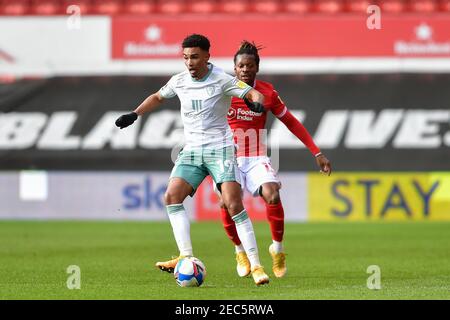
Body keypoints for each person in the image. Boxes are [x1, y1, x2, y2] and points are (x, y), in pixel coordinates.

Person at [115, 34, 270, 285]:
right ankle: (185, 256)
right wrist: (134, 114)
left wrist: (256, 104)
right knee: (171, 197)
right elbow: (157, 96)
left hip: (220, 149)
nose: (190, 62)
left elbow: (253, 93)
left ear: (207, 56)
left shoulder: (222, 79)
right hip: (192, 150)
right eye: (186, 57)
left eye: (195, 57)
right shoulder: (179, 81)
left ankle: (256, 266)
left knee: (233, 204)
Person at [217, 41, 332, 279]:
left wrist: (317, 152)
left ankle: (277, 249)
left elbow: (291, 121)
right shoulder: (223, 89)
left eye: (249, 65)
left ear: (257, 68)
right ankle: (240, 251)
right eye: (240, 66)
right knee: (226, 203)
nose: (245, 70)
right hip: (227, 156)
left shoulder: (268, 93)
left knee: (272, 194)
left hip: (256, 156)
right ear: (234, 68)